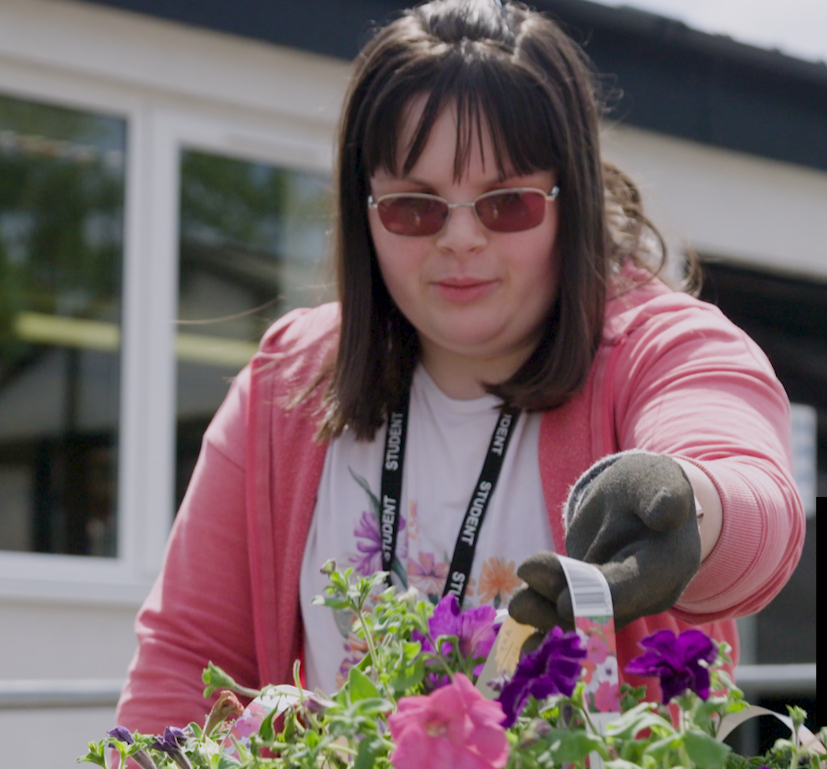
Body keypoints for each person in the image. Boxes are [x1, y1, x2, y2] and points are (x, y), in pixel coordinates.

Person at [116, 0, 804, 733]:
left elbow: (751, 499)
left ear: (569, 200)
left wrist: (688, 499)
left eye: (506, 203)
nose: (461, 238)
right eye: (414, 207)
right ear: (364, 209)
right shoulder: (286, 378)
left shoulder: (658, 346)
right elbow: (185, 664)